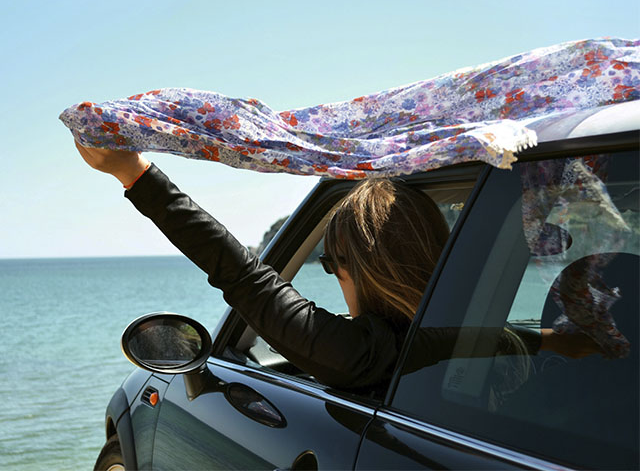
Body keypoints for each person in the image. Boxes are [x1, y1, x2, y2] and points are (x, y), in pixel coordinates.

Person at [75, 142, 602, 396]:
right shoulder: (476, 335)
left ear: (366, 270)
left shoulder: (364, 354)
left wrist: (131, 170)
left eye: (331, 263)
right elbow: (481, 337)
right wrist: (557, 339)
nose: (332, 276)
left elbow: (243, 276)